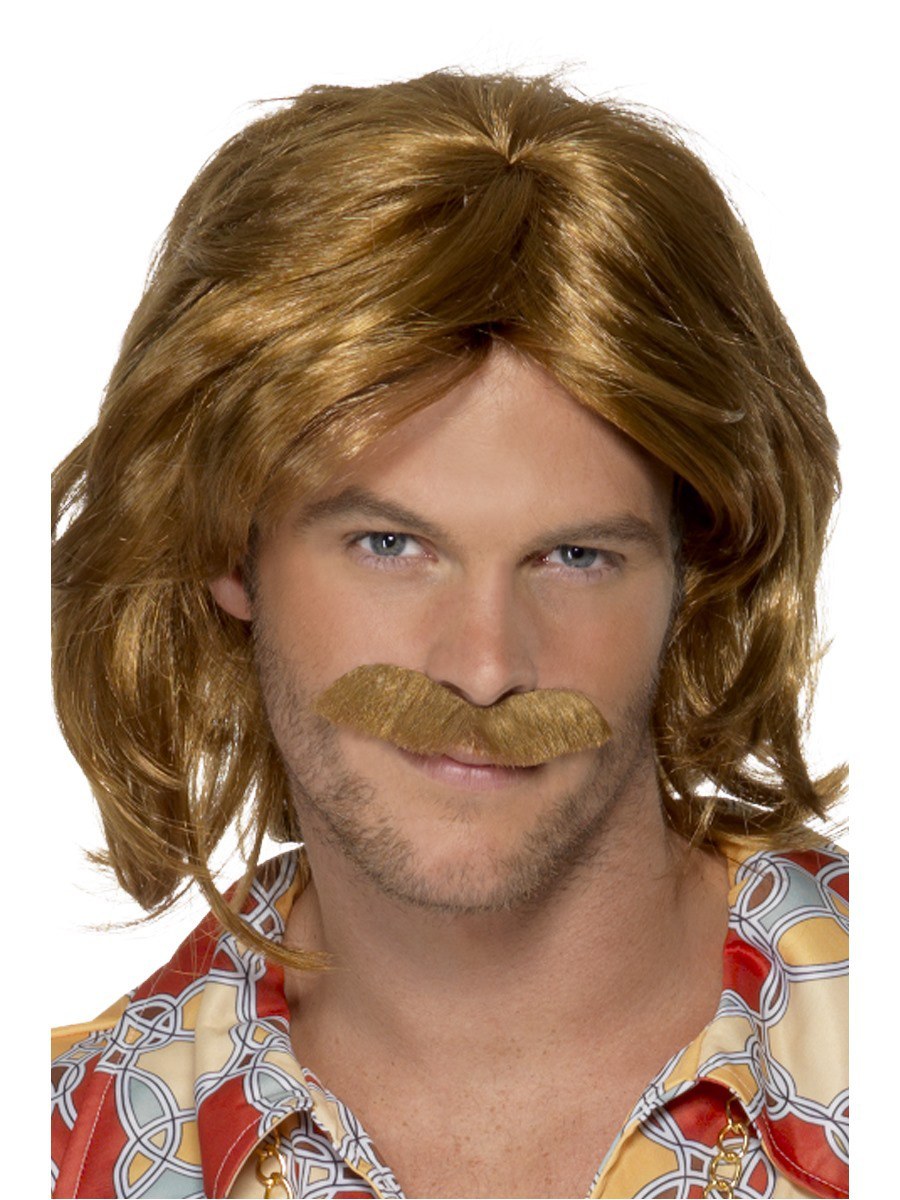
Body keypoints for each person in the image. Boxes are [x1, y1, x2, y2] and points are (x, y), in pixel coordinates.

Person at [50, 71, 848, 1200]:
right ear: (227, 546)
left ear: (695, 572)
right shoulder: (72, 1148)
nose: (483, 668)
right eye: (390, 545)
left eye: (575, 558)